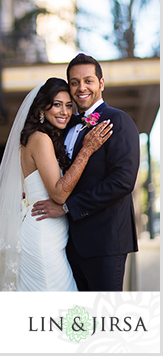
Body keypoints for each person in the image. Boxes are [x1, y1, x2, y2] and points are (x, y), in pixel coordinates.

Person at [0, 78, 112, 291]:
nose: (64, 112)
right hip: (42, 236)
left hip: (50, 236)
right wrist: (86, 150)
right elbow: (58, 194)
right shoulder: (40, 139)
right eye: (57, 104)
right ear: (41, 108)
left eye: (69, 105)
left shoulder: (43, 137)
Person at [32, 54, 140, 291]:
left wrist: (68, 207)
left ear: (101, 84)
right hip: (67, 243)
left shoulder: (118, 121)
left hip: (106, 243)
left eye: (88, 81)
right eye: (74, 82)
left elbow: (122, 182)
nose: (81, 87)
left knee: (104, 318)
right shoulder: (65, 125)